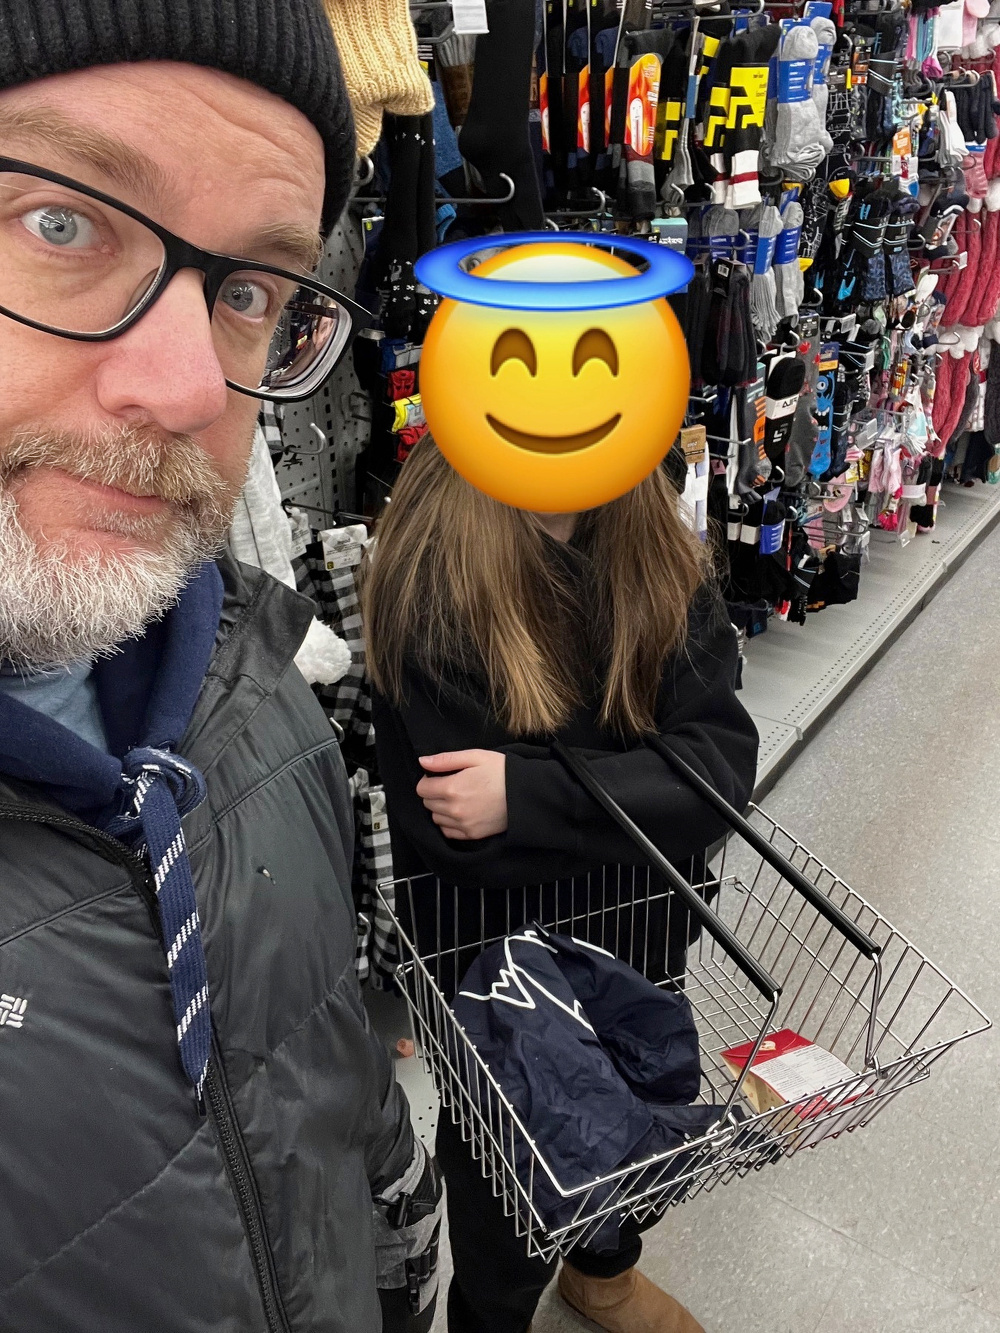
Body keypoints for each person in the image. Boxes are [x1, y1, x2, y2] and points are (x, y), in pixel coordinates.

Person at [0, 3, 436, 1330]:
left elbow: (334, 1086)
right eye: (61, 223)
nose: (191, 384)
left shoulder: (255, 685)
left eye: (249, 291)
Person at [363, 434, 760, 1333]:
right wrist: (644, 782)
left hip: (638, 940)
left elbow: (722, 766)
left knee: (630, 1114)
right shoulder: (433, 569)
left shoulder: (655, 547)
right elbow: (457, 834)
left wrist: (530, 791)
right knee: (510, 1176)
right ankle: (491, 1318)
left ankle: (604, 1274)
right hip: (495, 976)